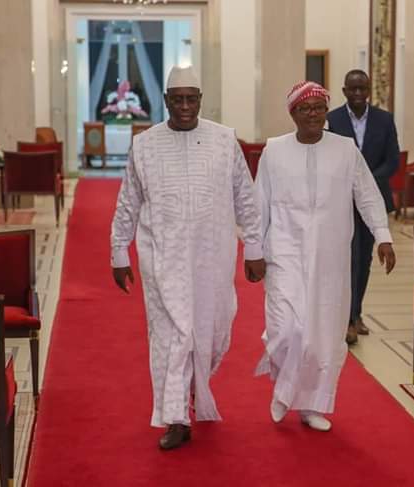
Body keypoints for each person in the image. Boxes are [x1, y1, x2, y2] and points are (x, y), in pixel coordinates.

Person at [110, 66, 266, 450]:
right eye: (177, 99)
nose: (184, 106)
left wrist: (255, 248)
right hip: (162, 258)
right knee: (170, 337)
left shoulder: (224, 140)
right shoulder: (145, 145)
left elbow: (245, 198)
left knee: (214, 331)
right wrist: (119, 251)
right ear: (165, 100)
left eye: (190, 99)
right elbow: (128, 201)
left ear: (200, 100)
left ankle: (196, 381)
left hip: (213, 257)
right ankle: (176, 417)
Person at [255, 81, 396, 431]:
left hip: (331, 257)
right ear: (293, 113)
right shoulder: (274, 150)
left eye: (319, 107)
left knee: (322, 335)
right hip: (284, 251)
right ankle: (285, 387)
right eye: (305, 108)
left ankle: (310, 405)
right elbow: (259, 203)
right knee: (286, 329)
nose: (313, 114)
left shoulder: (345, 149)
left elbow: (367, 195)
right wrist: (253, 250)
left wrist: (383, 235)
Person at [327, 69, 400, 345]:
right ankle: (346, 318)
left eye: (363, 89)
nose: (358, 94)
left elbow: (392, 160)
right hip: (340, 200)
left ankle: (356, 313)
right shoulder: (332, 119)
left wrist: (365, 181)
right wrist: (350, 183)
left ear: (369, 91)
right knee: (346, 258)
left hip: (373, 199)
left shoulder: (385, 119)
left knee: (364, 259)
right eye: (353, 89)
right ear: (344, 91)